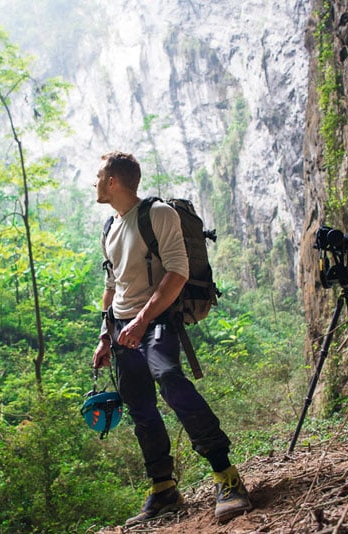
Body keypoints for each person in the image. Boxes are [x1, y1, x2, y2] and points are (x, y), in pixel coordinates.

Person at [92, 151, 252, 525]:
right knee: (140, 407)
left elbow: (177, 272)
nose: (95, 183)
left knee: (169, 380)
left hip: (157, 320)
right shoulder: (109, 227)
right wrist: (105, 336)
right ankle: (163, 490)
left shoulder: (157, 214)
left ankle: (226, 476)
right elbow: (112, 284)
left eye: (99, 176)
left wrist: (142, 321)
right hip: (121, 329)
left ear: (114, 180)